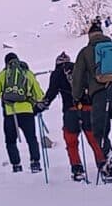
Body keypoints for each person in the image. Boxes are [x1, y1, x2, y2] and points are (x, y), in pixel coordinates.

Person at [72, 23, 112, 179]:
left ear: (90, 36)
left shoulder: (86, 51)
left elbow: (77, 77)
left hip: (100, 94)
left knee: (100, 131)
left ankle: (109, 153)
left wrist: (77, 96)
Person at [36, 52, 105, 181]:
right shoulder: (80, 70)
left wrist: (39, 107)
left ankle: (77, 168)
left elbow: (51, 93)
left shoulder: (57, 73)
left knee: (71, 141)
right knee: (93, 139)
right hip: (88, 109)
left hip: (70, 111)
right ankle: (102, 163)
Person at [0, 52, 45, 173]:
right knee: (31, 138)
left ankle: (16, 165)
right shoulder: (28, 74)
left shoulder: (2, 75)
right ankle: (35, 163)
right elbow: (39, 95)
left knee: (10, 141)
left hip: (10, 113)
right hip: (27, 112)